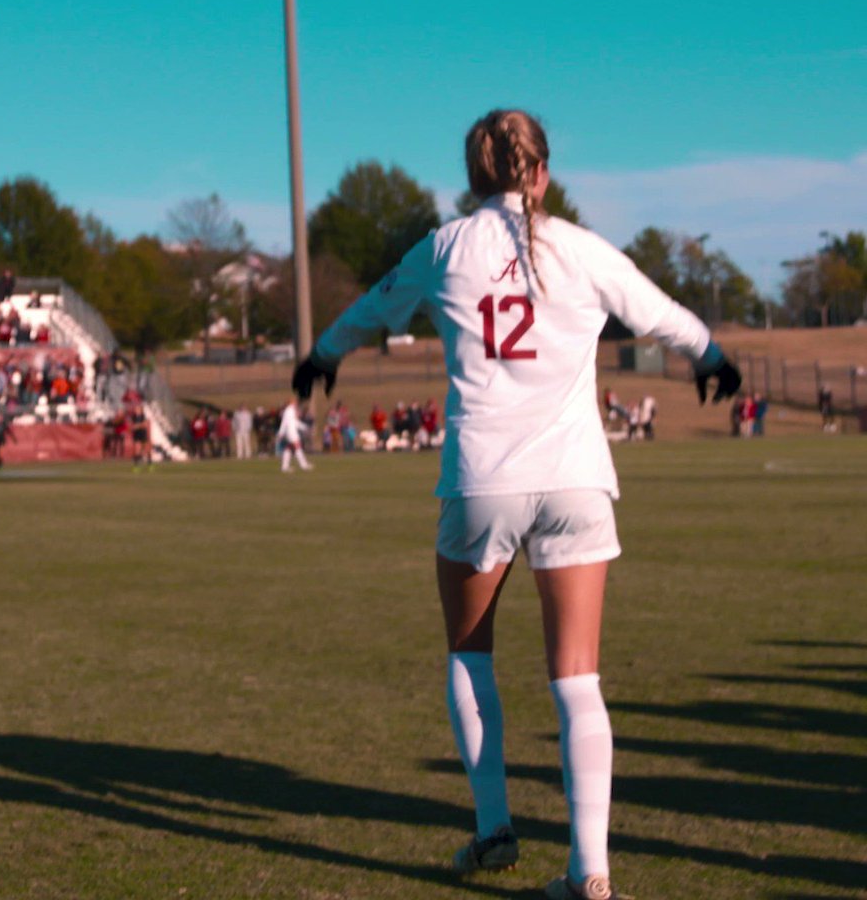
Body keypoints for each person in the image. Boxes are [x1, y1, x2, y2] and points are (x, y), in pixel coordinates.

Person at [292, 109, 741, 900]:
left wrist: (322, 354)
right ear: (543, 172)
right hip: (575, 478)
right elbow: (661, 313)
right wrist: (710, 355)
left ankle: (494, 826)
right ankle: (590, 873)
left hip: (483, 478)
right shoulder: (583, 248)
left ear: (472, 179)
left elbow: (368, 311)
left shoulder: (445, 247)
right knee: (578, 679)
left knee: (471, 654)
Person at [277, 395, 313, 472]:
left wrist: (304, 427)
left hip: (290, 431)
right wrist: (281, 432)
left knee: (289, 448)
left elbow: (295, 422)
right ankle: (303, 465)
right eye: (295, 402)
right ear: (291, 402)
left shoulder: (291, 410)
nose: (296, 403)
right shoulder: (289, 410)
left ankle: (284, 466)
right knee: (297, 446)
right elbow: (285, 422)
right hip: (290, 432)